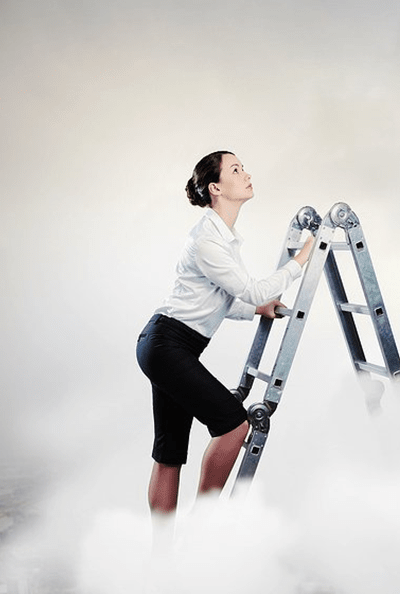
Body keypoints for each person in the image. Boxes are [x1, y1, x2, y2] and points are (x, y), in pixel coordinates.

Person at [135, 151, 314, 525]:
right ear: (216, 188)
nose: (247, 173)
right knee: (235, 425)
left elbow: (217, 300)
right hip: (168, 344)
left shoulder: (222, 237)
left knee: (169, 454)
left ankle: (162, 558)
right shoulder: (208, 240)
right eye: (236, 169)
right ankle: (201, 528)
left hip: (164, 343)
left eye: (243, 167)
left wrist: (256, 311)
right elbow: (250, 289)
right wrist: (300, 261)